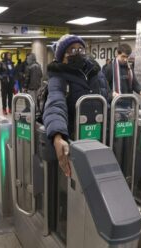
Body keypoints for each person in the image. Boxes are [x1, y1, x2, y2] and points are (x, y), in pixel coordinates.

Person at [43, 35, 110, 177]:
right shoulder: (58, 76)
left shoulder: (97, 73)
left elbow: (107, 101)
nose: (77, 53)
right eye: (71, 50)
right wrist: (57, 135)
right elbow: (55, 103)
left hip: (101, 137)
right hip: (76, 138)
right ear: (62, 57)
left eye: (80, 49)